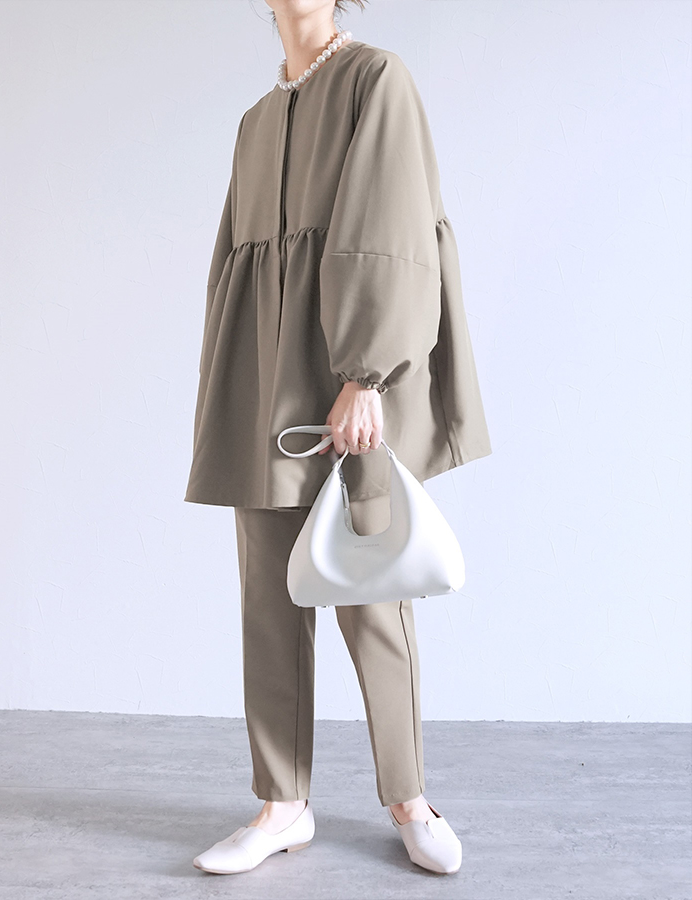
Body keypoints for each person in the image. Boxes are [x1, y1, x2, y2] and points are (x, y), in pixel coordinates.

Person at [186, 0, 492, 876]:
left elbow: (393, 232)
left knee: (371, 590)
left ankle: (409, 797)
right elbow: (237, 269)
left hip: (346, 380)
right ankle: (281, 804)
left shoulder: (374, 79)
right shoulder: (256, 120)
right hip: (265, 377)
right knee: (267, 594)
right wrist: (231, 391)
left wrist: (367, 374)